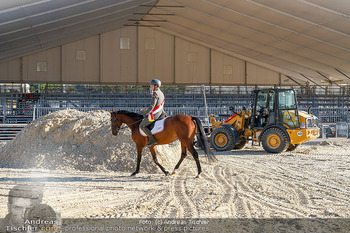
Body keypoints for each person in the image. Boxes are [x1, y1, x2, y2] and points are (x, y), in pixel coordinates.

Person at [140, 79, 165, 146]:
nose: (151, 87)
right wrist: (145, 109)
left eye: (152, 85)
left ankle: (152, 139)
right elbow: (157, 105)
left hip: (155, 115)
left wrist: (145, 113)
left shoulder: (155, 93)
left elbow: (152, 106)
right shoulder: (161, 93)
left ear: (156, 85)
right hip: (160, 113)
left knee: (142, 126)